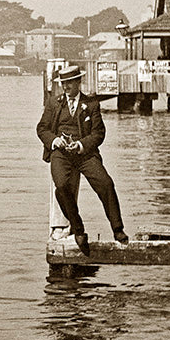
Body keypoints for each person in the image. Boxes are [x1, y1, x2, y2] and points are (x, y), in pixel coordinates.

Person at [36, 64, 128, 254]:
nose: (66, 87)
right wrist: (54, 141)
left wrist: (80, 145)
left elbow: (98, 133)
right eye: (63, 83)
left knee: (106, 183)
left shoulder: (91, 104)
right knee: (61, 187)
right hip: (61, 154)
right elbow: (42, 128)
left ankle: (118, 229)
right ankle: (78, 229)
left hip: (85, 154)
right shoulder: (54, 103)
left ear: (79, 82)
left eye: (69, 83)